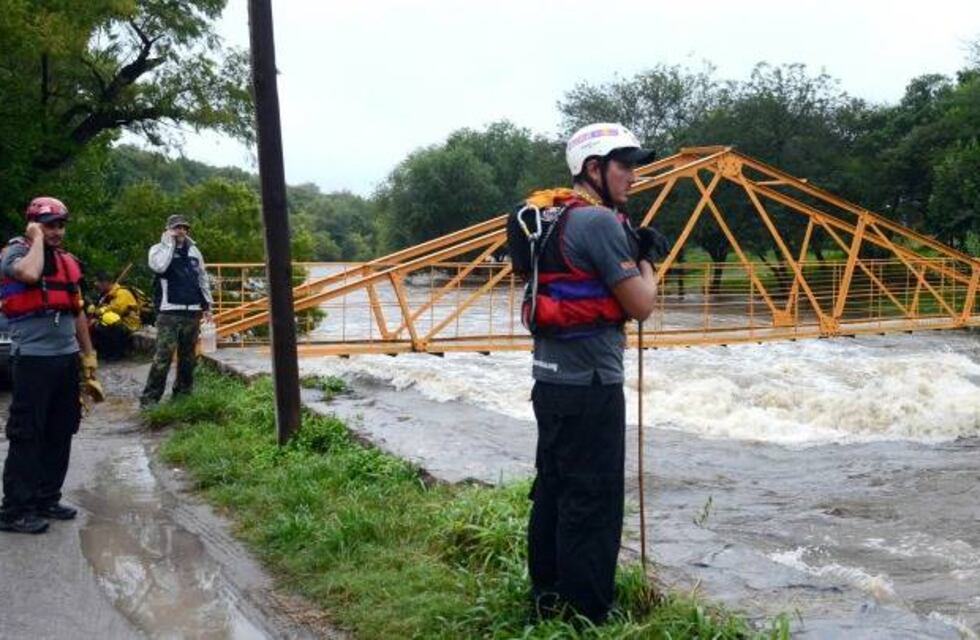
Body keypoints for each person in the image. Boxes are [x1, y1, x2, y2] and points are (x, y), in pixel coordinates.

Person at [511, 123, 665, 623]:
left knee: (553, 490)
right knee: (593, 500)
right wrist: (648, 259)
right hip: (592, 385)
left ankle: (547, 598)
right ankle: (588, 614)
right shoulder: (598, 223)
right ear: (594, 168)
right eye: (625, 166)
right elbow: (641, 305)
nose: (634, 177)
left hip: (549, 382)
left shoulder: (547, 217)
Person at [0, 197, 102, 534]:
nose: (57, 231)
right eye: (49, 225)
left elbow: (77, 311)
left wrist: (88, 357)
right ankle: (15, 510)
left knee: (61, 430)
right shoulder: (15, 253)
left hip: (65, 358)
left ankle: (46, 497)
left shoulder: (66, 261)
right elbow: (29, 274)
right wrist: (36, 238)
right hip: (32, 359)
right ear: (33, 225)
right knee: (28, 433)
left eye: (60, 225)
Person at [140, 214, 212, 407]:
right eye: (176, 227)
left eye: (184, 228)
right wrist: (169, 244)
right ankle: (149, 400)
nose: (181, 231)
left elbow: (202, 278)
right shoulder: (158, 249)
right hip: (169, 311)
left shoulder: (194, 251)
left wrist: (207, 306)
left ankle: (182, 396)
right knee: (163, 357)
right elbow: (159, 267)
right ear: (168, 229)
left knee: (188, 358)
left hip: (193, 311)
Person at [89, 271, 142, 360]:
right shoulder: (106, 295)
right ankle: (103, 352)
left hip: (128, 324)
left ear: (105, 282)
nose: (96, 284)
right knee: (97, 325)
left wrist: (99, 312)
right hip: (117, 322)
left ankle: (117, 353)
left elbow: (117, 310)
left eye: (98, 282)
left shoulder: (122, 292)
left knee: (107, 323)